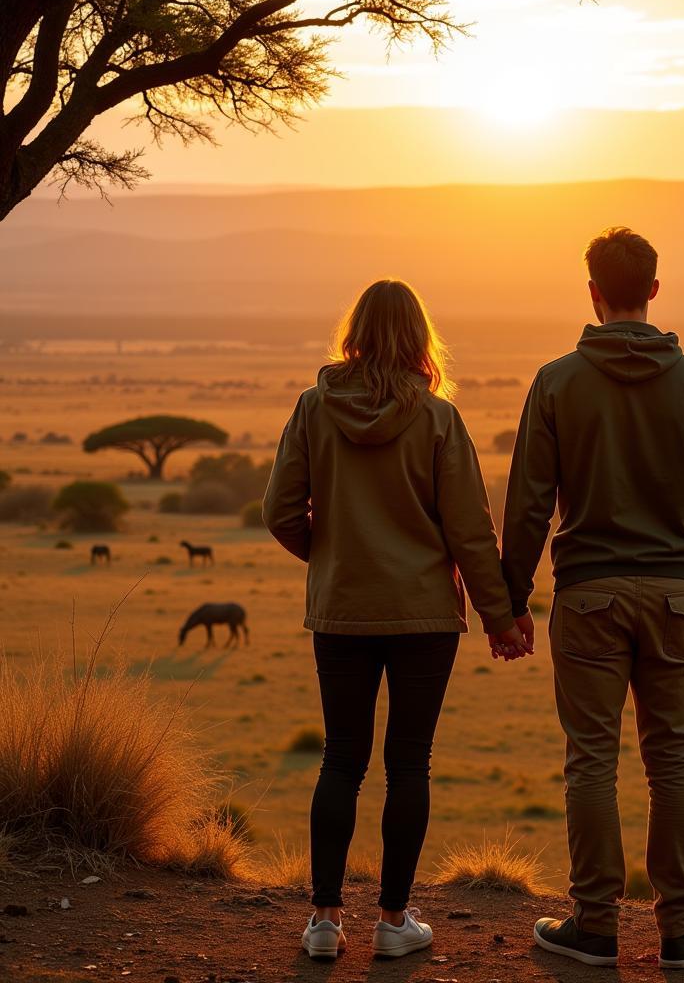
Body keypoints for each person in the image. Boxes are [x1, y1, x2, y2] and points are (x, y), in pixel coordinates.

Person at [496, 227, 684, 970]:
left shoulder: (557, 380)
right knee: (673, 758)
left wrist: (513, 597)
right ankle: (680, 931)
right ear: (654, 290)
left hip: (587, 597)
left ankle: (595, 927)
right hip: (674, 594)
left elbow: (527, 505)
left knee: (591, 762)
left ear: (592, 292)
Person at [263, 279, 531, 962]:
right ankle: (393, 921)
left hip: (343, 609)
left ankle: (323, 922)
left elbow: (278, 511)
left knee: (341, 760)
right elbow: (471, 530)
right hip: (423, 618)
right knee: (409, 762)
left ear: (352, 333)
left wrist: (330, 557)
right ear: (420, 338)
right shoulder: (439, 419)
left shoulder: (312, 409)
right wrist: (502, 619)